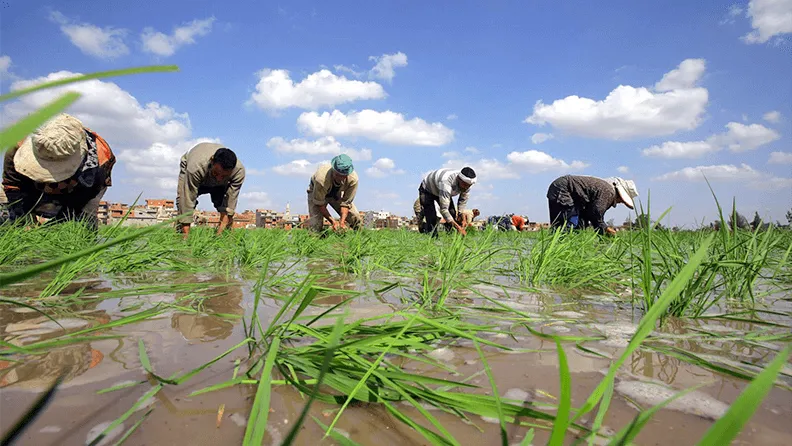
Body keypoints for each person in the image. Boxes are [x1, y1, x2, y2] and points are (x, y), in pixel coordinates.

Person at [1, 114, 116, 229]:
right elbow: (13, 186)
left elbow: (79, 204)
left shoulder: (100, 161)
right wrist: (24, 220)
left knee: (83, 223)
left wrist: (47, 230)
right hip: (33, 189)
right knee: (14, 221)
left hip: (78, 191)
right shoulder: (18, 146)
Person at [176, 142, 245, 239]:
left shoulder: (238, 172)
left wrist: (218, 238)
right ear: (212, 161)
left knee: (225, 208)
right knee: (182, 203)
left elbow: (230, 204)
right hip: (193, 167)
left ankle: (226, 237)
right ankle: (180, 237)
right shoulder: (195, 168)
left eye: (224, 176)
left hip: (216, 178)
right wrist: (186, 240)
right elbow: (188, 198)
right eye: (216, 173)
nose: (219, 179)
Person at [546, 175, 638, 235]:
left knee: (579, 226)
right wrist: (605, 229)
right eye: (622, 200)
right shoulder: (608, 192)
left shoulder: (604, 189)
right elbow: (595, 213)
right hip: (564, 190)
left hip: (560, 187)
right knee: (569, 228)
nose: (620, 202)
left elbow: (589, 214)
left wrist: (601, 228)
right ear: (620, 195)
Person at [306, 154, 361, 232]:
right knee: (315, 225)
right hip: (316, 193)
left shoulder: (353, 180)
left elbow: (346, 203)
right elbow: (319, 203)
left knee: (355, 217)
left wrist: (341, 222)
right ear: (333, 169)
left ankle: (361, 237)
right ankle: (316, 239)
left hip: (336, 193)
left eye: (343, 176)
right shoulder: (321, 179)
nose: (340, 179)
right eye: (338, 175)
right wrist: (333, 222)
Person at [418, 167, 476, 236]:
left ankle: (450, 236)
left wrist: (463, 218)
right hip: (427, 190)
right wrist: (458, 228)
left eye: (468, 186)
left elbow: (462, 202)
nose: (466, 188)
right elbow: (444, 210)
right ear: (459, 179)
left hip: (440, 190)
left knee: (452, 213)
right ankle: (431, 237)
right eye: (464, 185)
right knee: (432, 217)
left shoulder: (467, 184)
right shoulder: (446, 182)